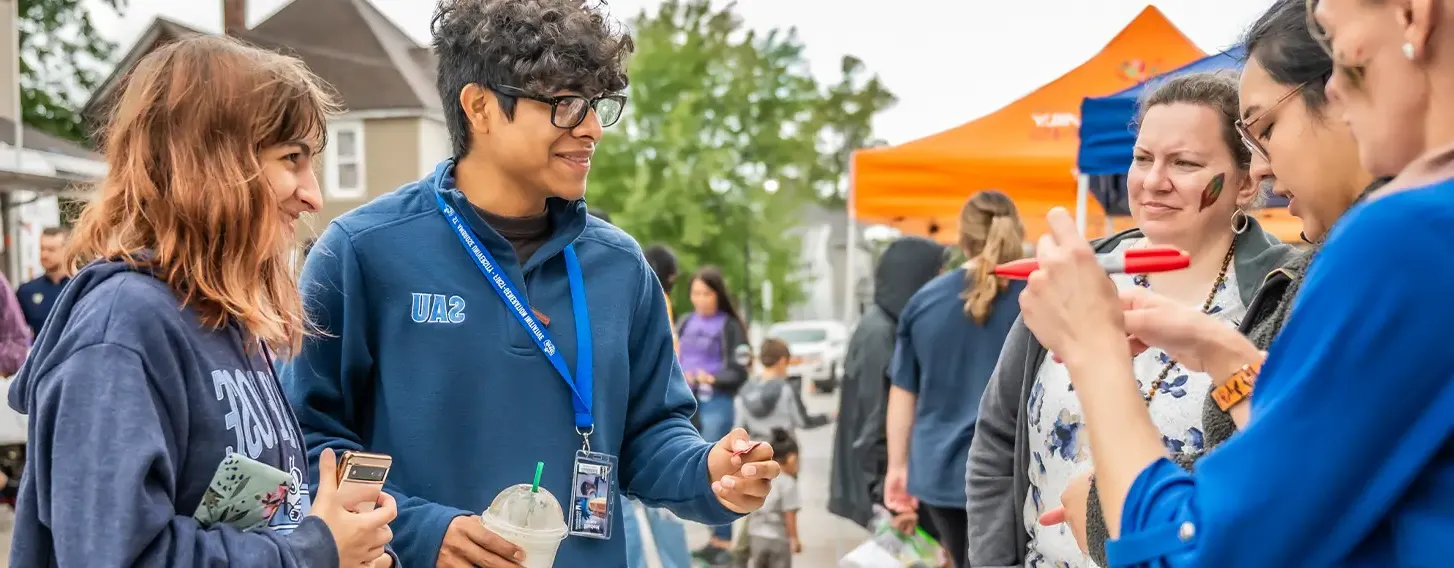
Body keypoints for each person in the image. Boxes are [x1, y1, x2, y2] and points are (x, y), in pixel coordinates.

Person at [282, 2, 779, 567]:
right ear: (480, 107)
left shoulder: (620, 266)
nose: (590, 128)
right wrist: (422, 532)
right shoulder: (362, 252)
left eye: (596, 106)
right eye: (565, 105)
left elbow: (650, 434)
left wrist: (709, 472)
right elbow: (306, 444)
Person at [1014, 0, 1454, 563]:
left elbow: (1211, 549)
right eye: (1142, 157)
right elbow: (1323, 463)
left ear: (1412, 15)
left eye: (1342, 52)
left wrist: (1093, 349)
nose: (1339, 91)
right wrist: (1227, 358)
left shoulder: (1404, 239)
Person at [4, 35, 397, 567]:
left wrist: (344, 544)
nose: (313, 195)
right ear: (210, 164)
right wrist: (315, 550)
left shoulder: (225, 323)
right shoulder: (123, 327)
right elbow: (116, 557)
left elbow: (258, 519)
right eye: (291, 159)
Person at [966, 72, 1299, 568]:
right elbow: (996, 439)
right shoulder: (1077, 273)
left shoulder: (1283, 292)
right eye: (1143, 158)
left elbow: (1281, 475)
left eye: (1184, 163)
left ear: (1247, 182)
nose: (1153, 180)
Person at [885, 190, 1027, 567]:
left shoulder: (923, 301)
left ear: (961, 240)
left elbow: (903, 394)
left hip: (938, 470)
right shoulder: (1038, 294)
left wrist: (896, 467)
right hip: (1017, 469)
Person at [828, 237, 943, 534]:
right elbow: (874, 419)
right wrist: (891, 499)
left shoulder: (883, 324)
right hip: (886, 490)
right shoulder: (881, 334)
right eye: (937, 273)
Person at [622, 242, 694, 568]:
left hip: (647, 407)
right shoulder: (658, 297)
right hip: (654, 402)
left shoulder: (645, 295)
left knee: (634, 512)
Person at [677, 265, 753, 563]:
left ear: (718, 295)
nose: (700, 299)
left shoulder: (729, 326)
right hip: (687, 401)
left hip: (716, 403)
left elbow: (740, 369)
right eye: (695, 293)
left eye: (706, 293)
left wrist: (713, 378)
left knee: (719, 469)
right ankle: (713, 537)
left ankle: (723, 541)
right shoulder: (685, 322)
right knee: (697, 470)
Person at [743, 428, 802, 568]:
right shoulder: (788, 482)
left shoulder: (763, 479)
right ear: (792, 458)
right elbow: (789, 514)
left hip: (756, 537)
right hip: (778, 539)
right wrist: (794, 539)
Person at [17, 226, 71, 336]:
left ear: (68, 250)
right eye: (42, 249)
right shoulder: (26, 291)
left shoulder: (81, 287)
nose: (44, 255)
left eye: (51, 250)